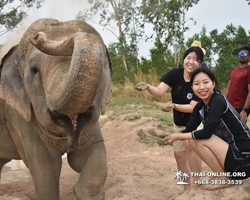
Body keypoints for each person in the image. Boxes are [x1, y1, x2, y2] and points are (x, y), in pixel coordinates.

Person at [169, 67, 250, 190]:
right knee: (189, 140)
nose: (201, 87)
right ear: (192, 87)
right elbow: (188, 129)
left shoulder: (218, 100)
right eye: (196, 84)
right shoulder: (200, 107)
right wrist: (174, 136)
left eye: (205, 82)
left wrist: (179, 136)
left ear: (213, 84)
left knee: (198, 137)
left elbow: (206, 133)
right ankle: (216, 176)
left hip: (244, 160)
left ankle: (223, 178)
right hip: (232, 158)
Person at [135, 46, 204, 190]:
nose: (191, 62)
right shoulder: (174, 74)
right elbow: (159, 91)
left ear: (200, 64)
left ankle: (197, 187)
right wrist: (148, 87)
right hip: (178, 124)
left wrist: (174, 106)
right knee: (179, 157)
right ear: (184, 60)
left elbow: (193, 107)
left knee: (190, 149)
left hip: (195, 124)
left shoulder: (200, 80)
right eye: (188, 58)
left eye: (195, 60)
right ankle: (186, 189)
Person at [225, 46, 250, 122]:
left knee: (238, 131)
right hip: (229, 105)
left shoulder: (248, 71)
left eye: (245, 54)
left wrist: (245, 110)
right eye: (240, 53)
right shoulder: (233, 70)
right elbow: (228, 87)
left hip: (241, 107)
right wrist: (223, 101)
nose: (241, 55)